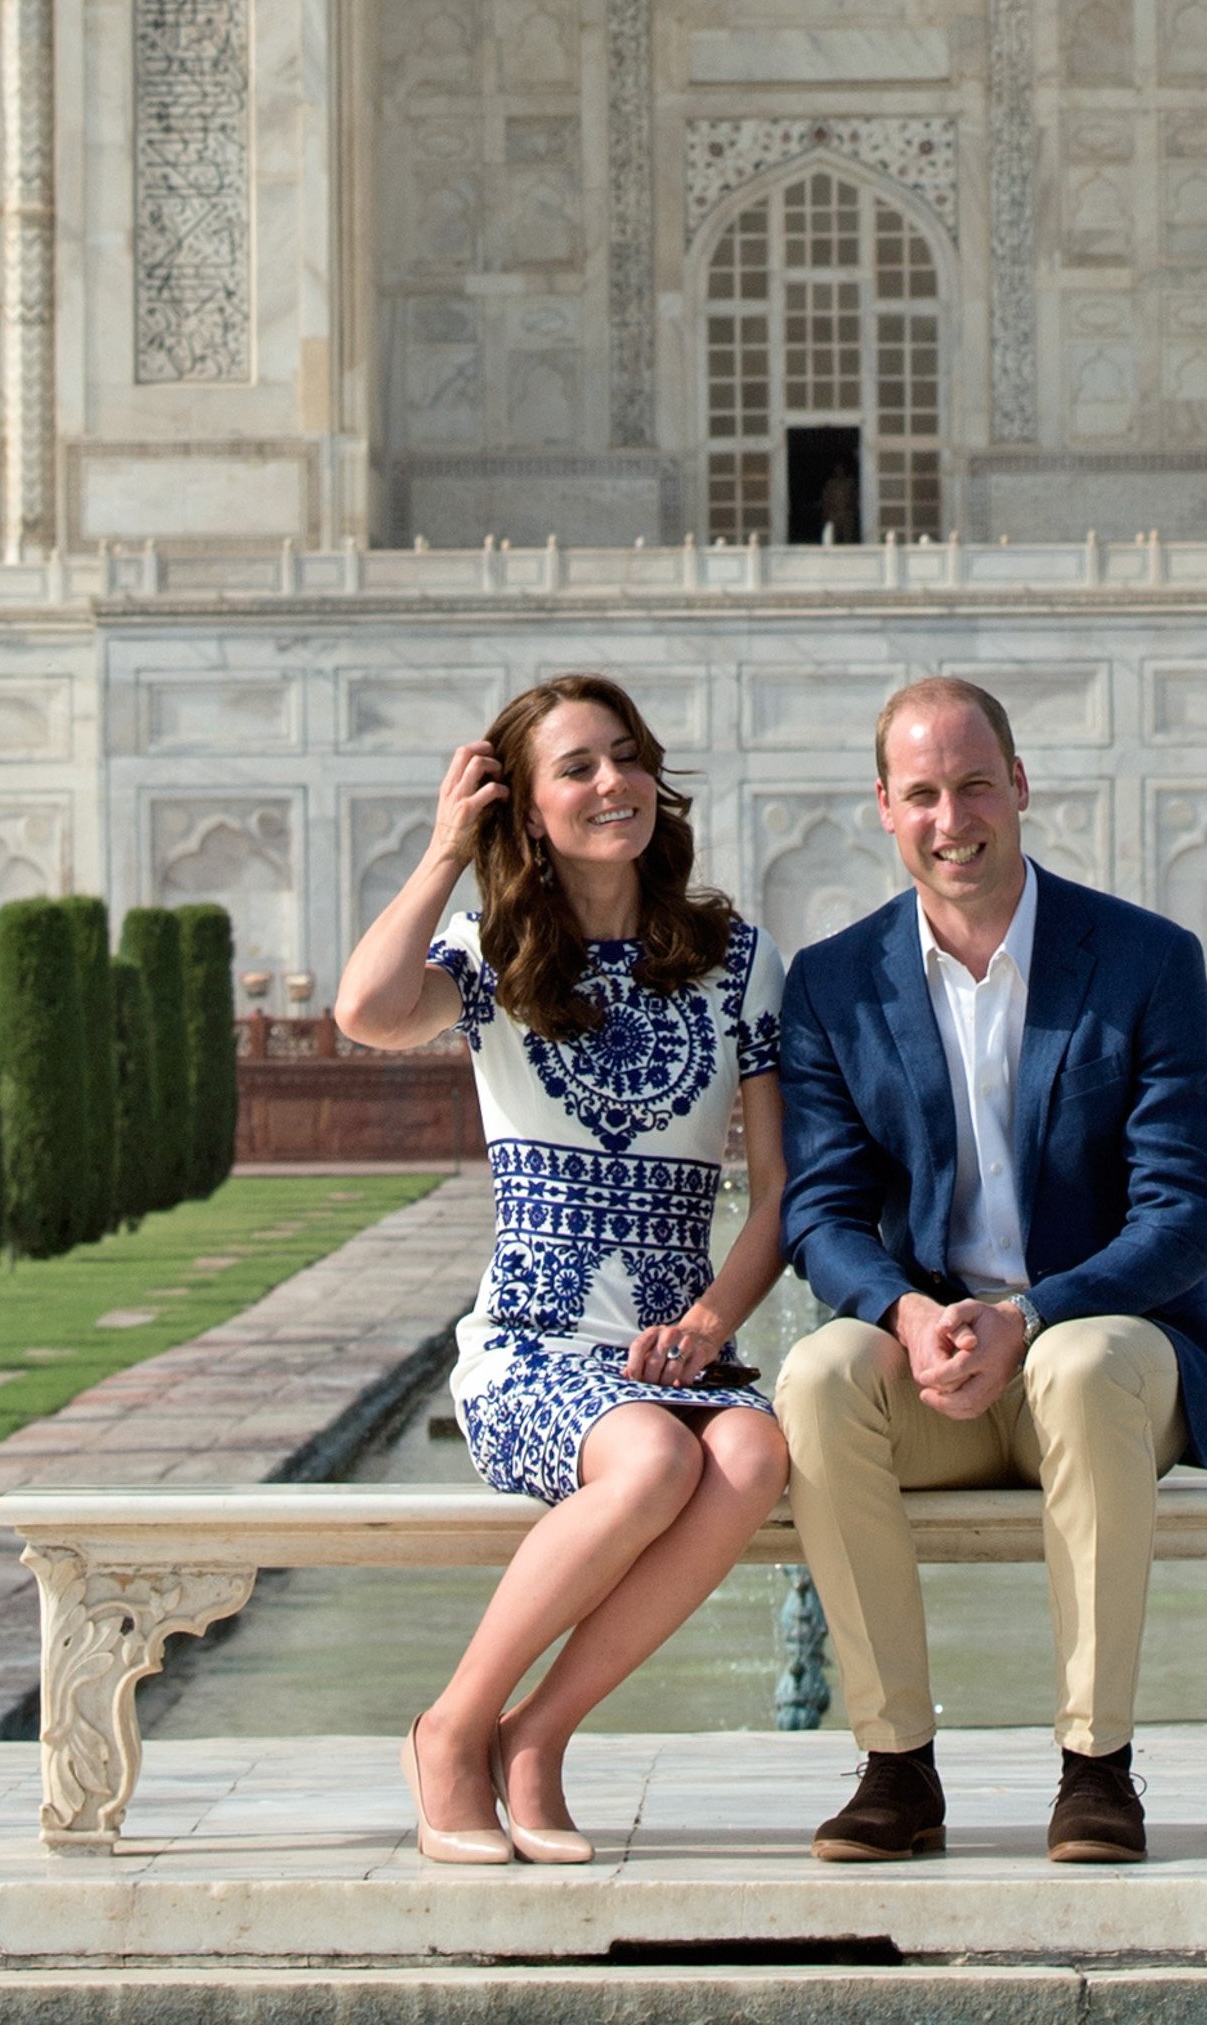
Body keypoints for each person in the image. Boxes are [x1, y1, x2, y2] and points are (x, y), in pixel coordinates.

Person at [336, 672, 790, 1866]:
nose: (612, 785)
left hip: (669, 1343)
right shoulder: (493, 955)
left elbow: (780, 1192)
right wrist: (446, 849)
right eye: (578, 768)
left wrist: (710, 1320)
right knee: (647, 1456)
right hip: (535, 1348)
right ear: (529, 810)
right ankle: (451, 1727)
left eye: (626, 757)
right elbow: (366, 1012)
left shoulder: (733, 959)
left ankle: (537, 1739)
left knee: (751, 1449)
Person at [775, 675, 1207, 1866]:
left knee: (1077, 1363)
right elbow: (820, 1217)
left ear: (1019, 786)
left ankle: (1096, 1769)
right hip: (942, 1369)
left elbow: (1184, 1215)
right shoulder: (835, 984)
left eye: (974, 784)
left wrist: (1031, 1314)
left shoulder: (1141, 962)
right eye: (921, 792)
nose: (951, 817)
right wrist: (907, 1312)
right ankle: (895, 1767)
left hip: (1110, 1355)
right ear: (883, 807)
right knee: (820, 1374)